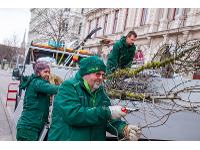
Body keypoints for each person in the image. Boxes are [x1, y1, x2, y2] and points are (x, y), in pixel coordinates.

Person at [47, 56, 142, 141]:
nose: (101, 78)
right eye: (97, 74)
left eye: (103, 75)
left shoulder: (102, 93)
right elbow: (74, 115)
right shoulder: (69, 87)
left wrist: (124, 129)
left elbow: (108, 120)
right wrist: (108, 112)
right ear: (86, 73)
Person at [16, 61, 59, 141]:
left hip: (31, 128)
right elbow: (53, 89)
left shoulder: (37, 82)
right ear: (38, 72)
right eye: (45, 72)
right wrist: (68, 87)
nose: (48, 74)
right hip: (28, 129)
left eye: (49, 72)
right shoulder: (37, 83)